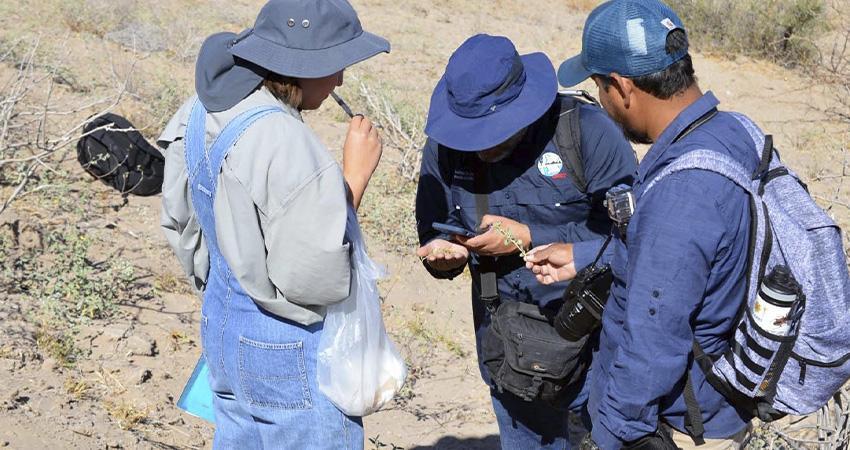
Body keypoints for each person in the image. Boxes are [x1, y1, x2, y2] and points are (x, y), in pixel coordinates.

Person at [526, 1, 759, 448]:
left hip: (673, 425)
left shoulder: (684, 189)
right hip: (714, 403)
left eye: (598, 87)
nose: (602, 102)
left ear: (622, 86)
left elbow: (652, 341)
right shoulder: (729, 132)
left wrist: (609, 437)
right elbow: (694, 258)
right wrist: (585, 256)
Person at [158, 0, 389, 447]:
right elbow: (314, 281)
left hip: (222, 327)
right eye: (336, 64)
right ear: (301, 66)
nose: (340, 79)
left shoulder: (199, 110)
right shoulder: (287, 143)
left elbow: (179, 220)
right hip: (285, 348)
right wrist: (354, 179)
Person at [415, 34, 637, 449]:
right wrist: (445, 256)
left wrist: (533, 236)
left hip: (598, 334)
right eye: (470, 134)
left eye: (492, 132)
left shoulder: (585, 132)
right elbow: (436, 227)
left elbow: (636, 235)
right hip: (510, 341)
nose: (480, 146)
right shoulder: (445, 149)